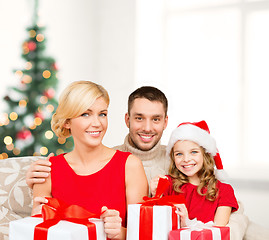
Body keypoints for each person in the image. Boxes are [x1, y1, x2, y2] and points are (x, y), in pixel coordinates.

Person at [27, 86, 268, 240]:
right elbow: (38, 225)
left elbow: (226, 202)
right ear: (127, 120)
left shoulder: (183, 160)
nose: (147, 128)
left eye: (102, 114)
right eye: (139, 118)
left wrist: (219, 234)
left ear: (165, 122)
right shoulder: (55, 167)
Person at [31, 81, 148, 240]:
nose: (97, 123)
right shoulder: (48, 170)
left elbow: (142, 235)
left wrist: (118, 232)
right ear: (67, 122)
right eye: (86, 114)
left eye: (102, 114)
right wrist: (37, 218)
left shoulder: (130, 165)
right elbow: (37, 232)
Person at [150, 120, 238, 227]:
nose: (186, 159)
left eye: (194, 152)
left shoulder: (224, 191)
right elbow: (156, 224)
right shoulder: (167, 183)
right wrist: (155, 195)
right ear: (173, 158)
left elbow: (218, 232)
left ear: (205, 155)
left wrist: (186, 223)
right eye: (179, 154)